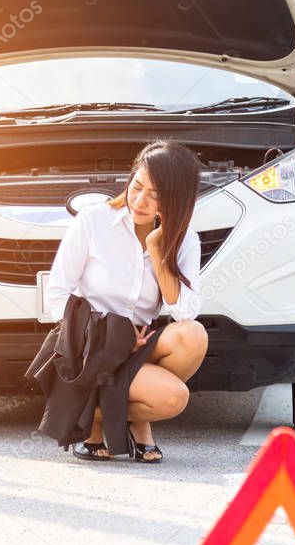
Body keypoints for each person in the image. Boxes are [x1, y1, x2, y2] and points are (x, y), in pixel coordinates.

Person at [43, 139, 209, 463]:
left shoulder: (185, 238)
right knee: (174, 397)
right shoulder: (93, 222)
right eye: (137, 186)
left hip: (138, 343)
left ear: (177, 199)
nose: (140, 201)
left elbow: (185, 310)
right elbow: (57, 293)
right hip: (90, 344)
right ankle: (101, 420)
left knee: (194, 335)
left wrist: (158, 249)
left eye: (156, 194)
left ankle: (96, 414)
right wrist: (103, 337)